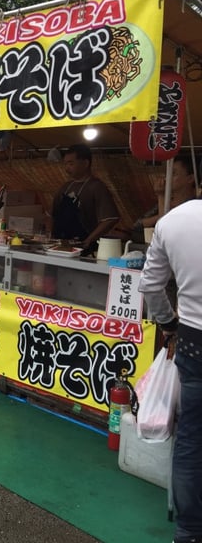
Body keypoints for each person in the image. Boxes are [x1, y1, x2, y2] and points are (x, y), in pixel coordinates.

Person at [138, 196, 202, 543]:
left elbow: (150, 285)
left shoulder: (174, 220)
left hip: (193, 341)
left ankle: (190, 530)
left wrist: (168, 325)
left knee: (192, 439)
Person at [50, 143, 120, 252]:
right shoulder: (65, 187)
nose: (67, 168)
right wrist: (51, 237)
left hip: (84, 249)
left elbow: (110, 219)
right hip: (60, 246)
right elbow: (52, 216)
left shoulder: (96, 187)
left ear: (85, 163)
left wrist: (88, 240)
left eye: (71, 163)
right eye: (65, 164)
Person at [133, 156, 198, 242]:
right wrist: (161, 197)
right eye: (168, 173)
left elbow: (167, 226)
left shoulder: (195, 204)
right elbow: (137, 226)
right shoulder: (166, 202)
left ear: (190, 179)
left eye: (173, 173)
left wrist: (161, 197)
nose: (167, 177)